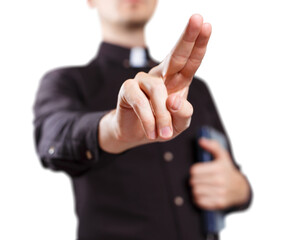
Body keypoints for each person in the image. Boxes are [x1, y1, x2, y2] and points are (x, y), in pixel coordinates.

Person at [34, 0, 252, 239]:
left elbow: (229, 173)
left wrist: (240, 190)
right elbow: (52, 139)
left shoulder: (196, 89)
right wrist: (115, 130)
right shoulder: (67, 81)